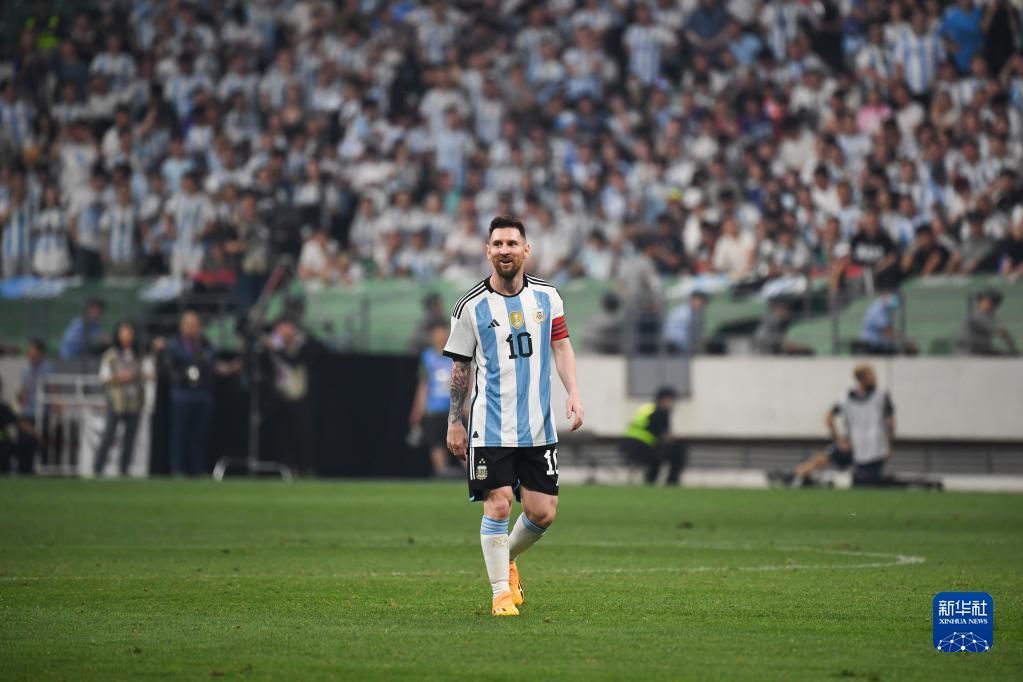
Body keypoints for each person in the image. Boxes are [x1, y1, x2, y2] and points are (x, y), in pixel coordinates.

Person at [443, 215, 585, 618]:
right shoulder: (470, 306)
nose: (505, 250)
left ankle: (505, 559)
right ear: (488, 251)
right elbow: (461, 369)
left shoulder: (548, 297)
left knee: (543, 513)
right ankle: (500, 595)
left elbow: (562, 347)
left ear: (526, 249)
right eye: (498, 244)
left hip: (538, 427)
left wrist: (573, 393)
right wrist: (455, 421)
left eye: (511, 243)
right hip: (490, 427)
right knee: (499, 505)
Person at [786, 364, 895, 487]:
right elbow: (828, 417)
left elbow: (890, 421)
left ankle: (824, 480)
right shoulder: (846, 397)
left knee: (867, 482)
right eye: (871, 375)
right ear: (861, 378)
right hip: (853, 444)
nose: (875, 378)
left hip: (875, 448)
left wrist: (888, 445)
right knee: (823, 458)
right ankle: (794, 476)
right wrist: (838, 440)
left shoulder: (881, 395)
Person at [160, 311, 217, 476]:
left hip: (202, 394)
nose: (191, 328)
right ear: (182, 326)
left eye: (194, 325)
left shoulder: (205, 343)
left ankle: (198, 468)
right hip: (182, 393)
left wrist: (199, 353)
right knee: (179, 433)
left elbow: (209, 360)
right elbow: (179, 357)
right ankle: (177, 468)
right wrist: (195, 358)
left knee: (199, 434)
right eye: (188, 325)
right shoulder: (174, 344)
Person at [266, 317, 319, 476]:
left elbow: (294, 362)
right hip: (279, 394)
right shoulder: (273, 344)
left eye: (287, 327)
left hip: (300, 394)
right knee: (283, 434)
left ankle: (306, 467)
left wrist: (277, 348)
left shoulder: (303, 344)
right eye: (280, 328)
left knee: (302, 433)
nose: (284, 332)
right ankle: (287, 468)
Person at [93, 322, 145, 477]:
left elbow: (145, 374)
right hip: (117, 401)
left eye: (130, 332)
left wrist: (138, 376)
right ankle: (98, 468)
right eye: (124, 332)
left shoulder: (138, 354)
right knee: (109, 435)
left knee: (130, 438)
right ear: (118, 335)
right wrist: (121, 377)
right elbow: (104, 378)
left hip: (134, 401)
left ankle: (124, 470)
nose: (127, 336)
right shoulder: (111, 354)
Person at [408, 320, 458, 477]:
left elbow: (467, 379)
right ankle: (442, 473)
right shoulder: (427, 356)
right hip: (434, 408)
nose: (440, 336)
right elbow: (424, 384)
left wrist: (467, 404)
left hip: (454, 408)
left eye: (442, 332)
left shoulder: (457, 353)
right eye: (436, 333)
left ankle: (470, 473)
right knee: (436, 442)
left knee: (460, 441)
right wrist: (418, 409)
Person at [620, 386, 686, 485]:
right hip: (642, 448)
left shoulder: (647, 408)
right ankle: (672, 480)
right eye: (671, 400)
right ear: (665, 400)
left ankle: (651, 480)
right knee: (677, 449)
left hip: (628, 447)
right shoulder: (662, 412)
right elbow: (665, 435)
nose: (672, 404)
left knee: (658, 452)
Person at [956, 289, 1020, 356]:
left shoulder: (987, 315)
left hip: (981, 351)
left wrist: (1013, 349)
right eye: (986, 300)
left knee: (1008, 355)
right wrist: (1013, 348)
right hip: (970, 354)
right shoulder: (978, 315)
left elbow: (1003, 333)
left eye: (991, 302)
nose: (988, 303)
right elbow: (1002, 332)